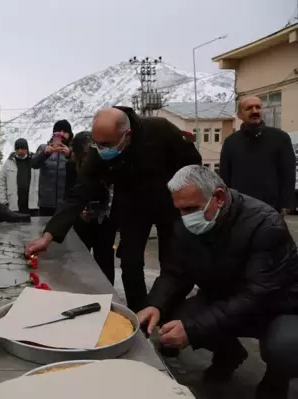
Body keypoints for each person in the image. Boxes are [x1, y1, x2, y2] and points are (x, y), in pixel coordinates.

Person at [138, 165, 298, 399]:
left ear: (219, 198)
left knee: (286, 346)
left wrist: (193, 330)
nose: (185, 217)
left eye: (191, 209)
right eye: (180, 210)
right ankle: (229, 354)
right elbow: (175, 272)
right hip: (227, 295)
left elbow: (256, 295)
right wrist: (155, 305)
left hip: (278, 305)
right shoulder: (186, 225)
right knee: (175, 319)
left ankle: (276, 377)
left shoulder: (265, 224)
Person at [25, 107, 202, 312]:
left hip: (169, 205)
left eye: (106, 144)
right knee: (130, 264)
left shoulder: (161, 131)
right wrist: (48, 235)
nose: (100, 149)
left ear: (127, 136)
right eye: (96, 143)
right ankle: (140, 315)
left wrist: (186, 202)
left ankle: (169, 318)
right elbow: (79, 192)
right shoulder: (100, 150)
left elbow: (193, 164)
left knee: (172, 264)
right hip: (132, 208)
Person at [220, 96, 296, 214]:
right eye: (249, 108)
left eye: (258, 107)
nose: (254, 111)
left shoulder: (280, 138)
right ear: (240, 114)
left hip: (270, 208)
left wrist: (286, 204)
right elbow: (224, 177)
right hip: (240, 208)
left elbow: (288, 174)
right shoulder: (231, 142)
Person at [67, 131, 116, 284]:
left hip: (104, 221)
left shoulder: (106, 164)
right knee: (81, 260)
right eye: (86, 152)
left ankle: (107, 294)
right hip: (82, 220)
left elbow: (111, 190)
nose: (90, 156)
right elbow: (70, 193)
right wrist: (79, 211)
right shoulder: (71, 167)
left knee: (105, 260)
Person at [31, 120, 72, 217]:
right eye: (58, 132)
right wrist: (44, 154)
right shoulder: (44, 147)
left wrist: (70, 155)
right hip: (46, 202)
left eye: (64, 132)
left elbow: (82, 169)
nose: (61, 135)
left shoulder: (72, 149)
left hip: (67, 202)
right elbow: (33, 164)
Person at [0, 138, 40, 215]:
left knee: (33, 226)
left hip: (32, 204)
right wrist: (3, 201)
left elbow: (41, 181)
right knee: (15, 226)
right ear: (15, 149)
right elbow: (2, 183)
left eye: (23, 148)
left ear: (26, 149)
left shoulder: (35, 161)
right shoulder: (8, 163)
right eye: (18, 148)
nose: (20, 151)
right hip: (14, 204)